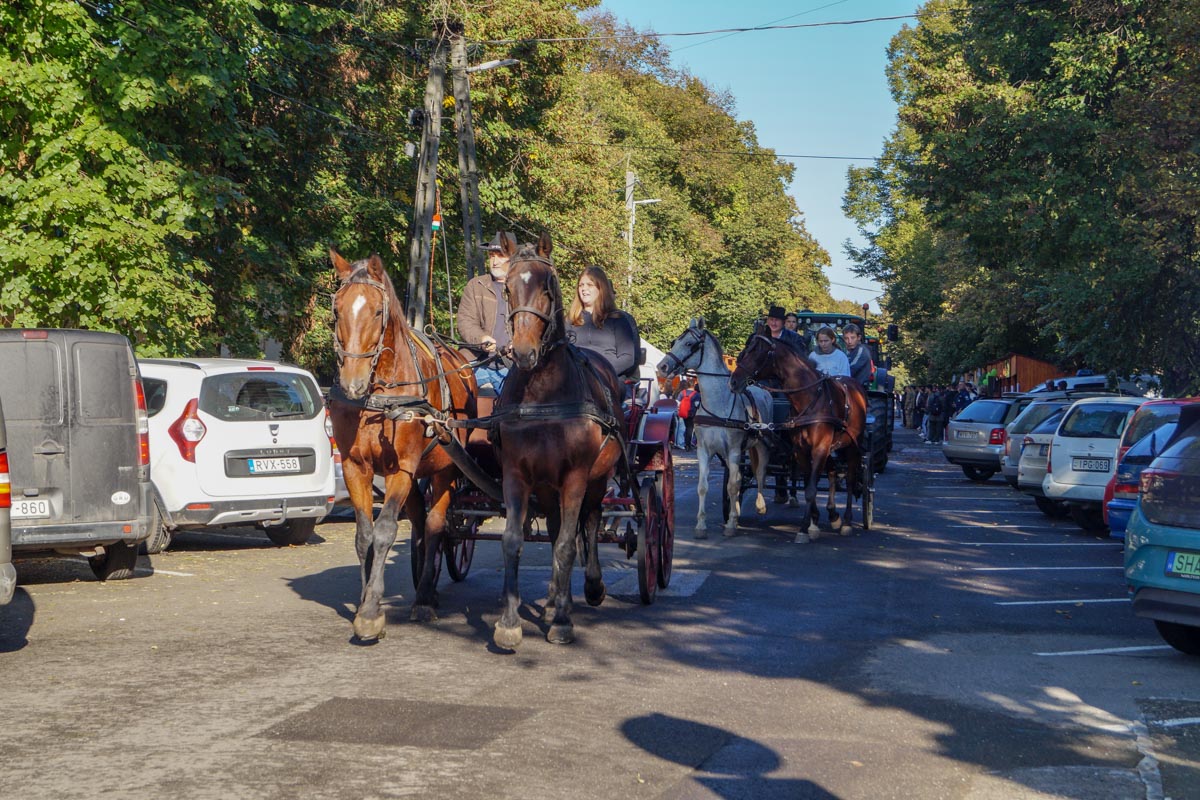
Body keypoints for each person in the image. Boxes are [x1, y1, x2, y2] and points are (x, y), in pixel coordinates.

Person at [457, 231, 516, 390]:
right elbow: (465, 321)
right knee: (450, 390)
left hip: (511, 366)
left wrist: (516, 345)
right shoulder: (475, 285)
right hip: (475, 362)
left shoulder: (524, 290)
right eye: (491, 256)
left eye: (500, 255)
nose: (495, 261)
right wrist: (481, 338)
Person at [567, 266, 640, 386]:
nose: (584, 289)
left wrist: (600, 372)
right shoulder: (569, 321)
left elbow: (627, 357)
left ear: (601, 288)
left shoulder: (618, 320)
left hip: (610, 380)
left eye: (589, 285)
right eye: (581, 285)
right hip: (576, 383)